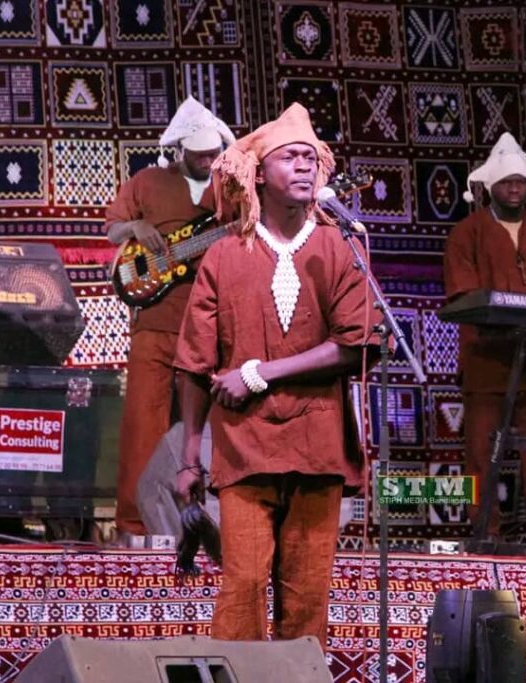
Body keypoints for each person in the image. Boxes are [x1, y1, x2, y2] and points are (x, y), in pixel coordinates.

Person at [174, 103, 382, 645]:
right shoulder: (222, 256)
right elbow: (194, 364)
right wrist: (187, 458)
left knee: (308, 596)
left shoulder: (342, 247)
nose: (305, 167)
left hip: (318, 449)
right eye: (290, 157)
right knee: (241, 589)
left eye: (311, 158)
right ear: (259, 173)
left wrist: (261, 373)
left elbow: (355, 343)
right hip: (245, 449)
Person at [105, 96, 236, 542]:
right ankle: (134, 525)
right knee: (144, 421)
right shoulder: (147, 181)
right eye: (198, 152)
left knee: (207, 430)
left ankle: (207, 524)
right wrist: (134, 229)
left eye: (213, 152)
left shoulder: (231, 189)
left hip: (210, 327)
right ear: (178, 149)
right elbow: (113, 228)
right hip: (155, 325)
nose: (207, 159)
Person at [442, 133, 526, 555]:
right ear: (490, 188)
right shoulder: (467, 233)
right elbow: (464, 296)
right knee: (481, 457)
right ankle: (485, 535)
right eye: (506, 183)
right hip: (487, 364)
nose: (515, 189)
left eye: (521, 182)